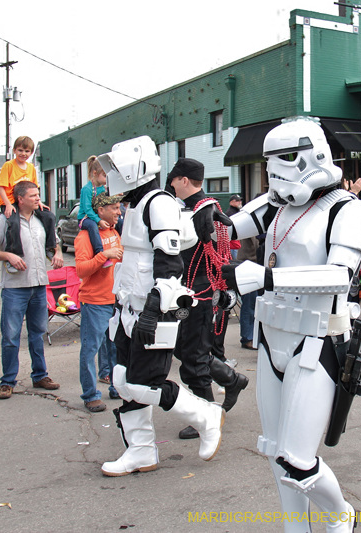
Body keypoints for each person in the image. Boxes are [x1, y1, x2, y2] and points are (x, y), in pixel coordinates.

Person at [221, 118, 361, 531]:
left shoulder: (347, 208)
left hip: (317, 342)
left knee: (298, 462)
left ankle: (341, 516)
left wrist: (266, 277)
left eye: (286, 157)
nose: (276, 169)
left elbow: (340, 275)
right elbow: (225, 229)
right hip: (272, 338)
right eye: (270, 160)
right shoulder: (276, 206)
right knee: (274, 450)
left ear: (314, 154)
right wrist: (198, 222)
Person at [97, 138, 225, 476]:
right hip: (129, 307)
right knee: (124, 380)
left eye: (117, 168)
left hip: (152, 310)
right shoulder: (139, 204)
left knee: (144, 383)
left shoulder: (159, 203)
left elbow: (169, 265)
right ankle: (141, 451)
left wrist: (153, 312)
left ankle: (206, 415)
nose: (112, 175)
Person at [165, 158, 249, 440]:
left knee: (193, 357)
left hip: (200, 293)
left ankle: (206, 417)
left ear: (183, 180)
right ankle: (231, 379)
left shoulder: (205, 209)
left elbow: (218, 246)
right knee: (182, 348)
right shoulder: (192, 208)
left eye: (174, 179)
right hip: (187, 292)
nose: (171, 184)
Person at [0, 181, 64, 400]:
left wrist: (57, 254)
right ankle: (7, 381)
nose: (38, 199)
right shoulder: (5, 220)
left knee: (38, 333)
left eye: (38, 195)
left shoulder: (42, 219)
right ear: (20, 199)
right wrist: (8, 255)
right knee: (11, 336)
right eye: (33, 196)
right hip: (15, 288)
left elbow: (53, 245)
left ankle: (40, 375)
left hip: (38, 286)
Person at [75, 192, 124, 412]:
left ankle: (116, 386)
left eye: (119, 207)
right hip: (94, 302)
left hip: (115, 301)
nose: (119, 212)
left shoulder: (114, 231)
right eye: (114, 208)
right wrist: (105, 255)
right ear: (100, 211)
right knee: (90, 350)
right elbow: (81, 270)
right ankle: (90, 395)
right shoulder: (85, 236)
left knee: (115, 348)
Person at [0, 136, 56, 272]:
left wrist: (39, 201)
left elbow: (34, 187)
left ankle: (49, 247)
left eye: (27, 151)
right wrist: (8, 204)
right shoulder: (9, 166)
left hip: (27, 201)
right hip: (11, 201)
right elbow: (0, 187)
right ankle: (13, 255)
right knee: (14, 223)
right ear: (14, 150)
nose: (23, 154)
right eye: (20, 150)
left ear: (31, 153)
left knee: (49, 216)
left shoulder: (31, 168)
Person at [77, 156, 113, 260]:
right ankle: (100, 253)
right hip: (85, 218)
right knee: (92, 225)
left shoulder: (104, 188)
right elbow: (87, 209)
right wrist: (99, 221)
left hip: (98, 217)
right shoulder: (87, 189)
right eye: (104, 176)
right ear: (94, 173)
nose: (106, 179)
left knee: (119, 222)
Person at [236, 234, 260, 350]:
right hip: (248, 266)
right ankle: (247, 338)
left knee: (251, 304)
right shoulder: (251, 230)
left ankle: (251, 336)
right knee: (250, 304)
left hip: (249, 265)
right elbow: (257, 246)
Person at [227, 194, 243, 260]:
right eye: (237, 201)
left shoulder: (238, 212)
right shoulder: (230, 213)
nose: (239, 202)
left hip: (237, 240)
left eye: (240, 200)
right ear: (231, 202)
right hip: (233, 242)